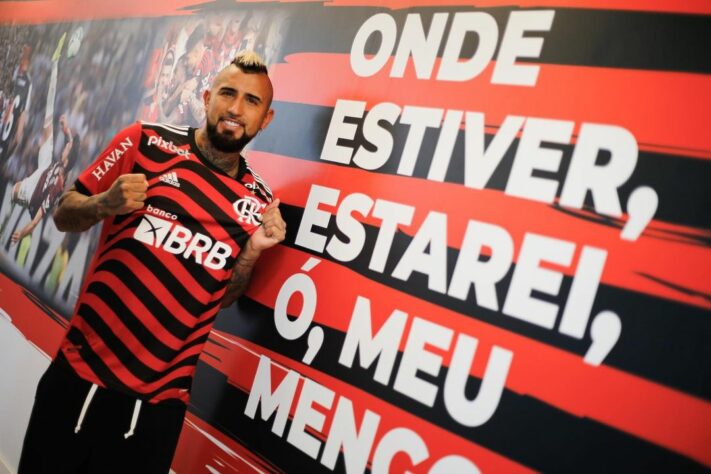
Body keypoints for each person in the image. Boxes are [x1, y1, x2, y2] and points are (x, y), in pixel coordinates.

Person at [18, 50, 286, 473]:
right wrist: (106, 202)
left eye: (252, 102)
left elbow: (226, 296)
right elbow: (65, 212)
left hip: (158, 409)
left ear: (265, 119)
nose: (236, 109)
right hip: (80, 377)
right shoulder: (144, 140)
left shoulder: (260, 202)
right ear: (206, 96)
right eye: (228, 94)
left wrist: (252, 252)